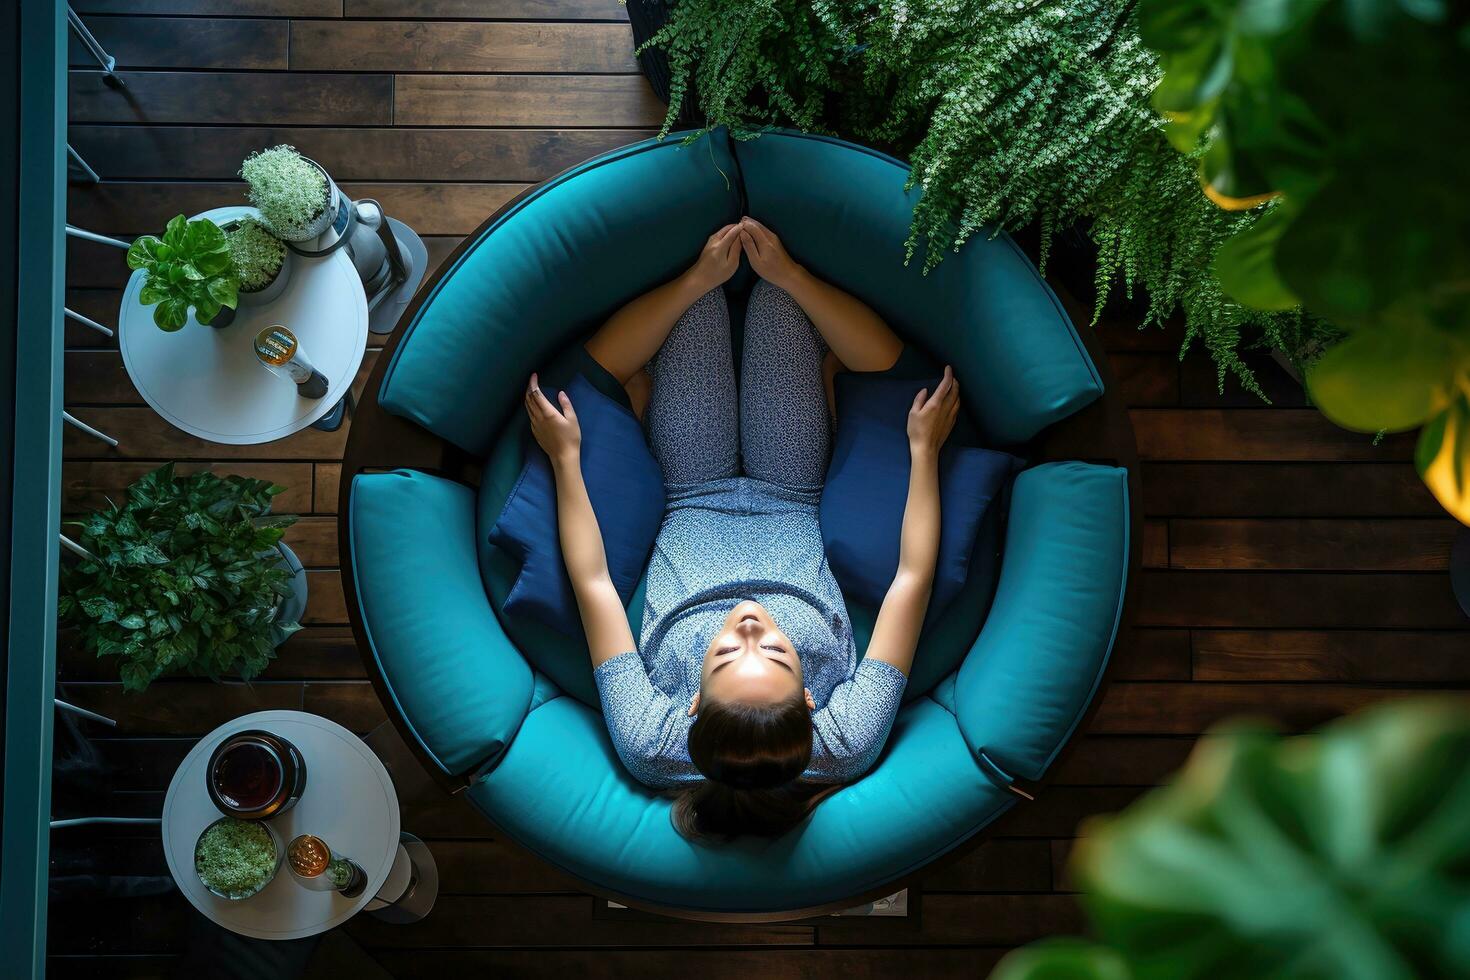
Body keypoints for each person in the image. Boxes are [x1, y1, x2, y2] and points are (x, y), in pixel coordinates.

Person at [522, 217, 960, 841]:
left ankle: (702, 283)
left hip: (688, 487)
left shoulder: (652, 743)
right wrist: (923, 452)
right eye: (779, 653)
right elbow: (911, 580)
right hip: (793, 488)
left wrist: (566, 459)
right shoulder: (845, 741)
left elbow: (592, 582)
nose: (751, 623)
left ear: (693, 705)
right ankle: (786, 286)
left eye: (725, 653)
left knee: (700, 296)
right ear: (810, 702)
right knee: (778, 294)